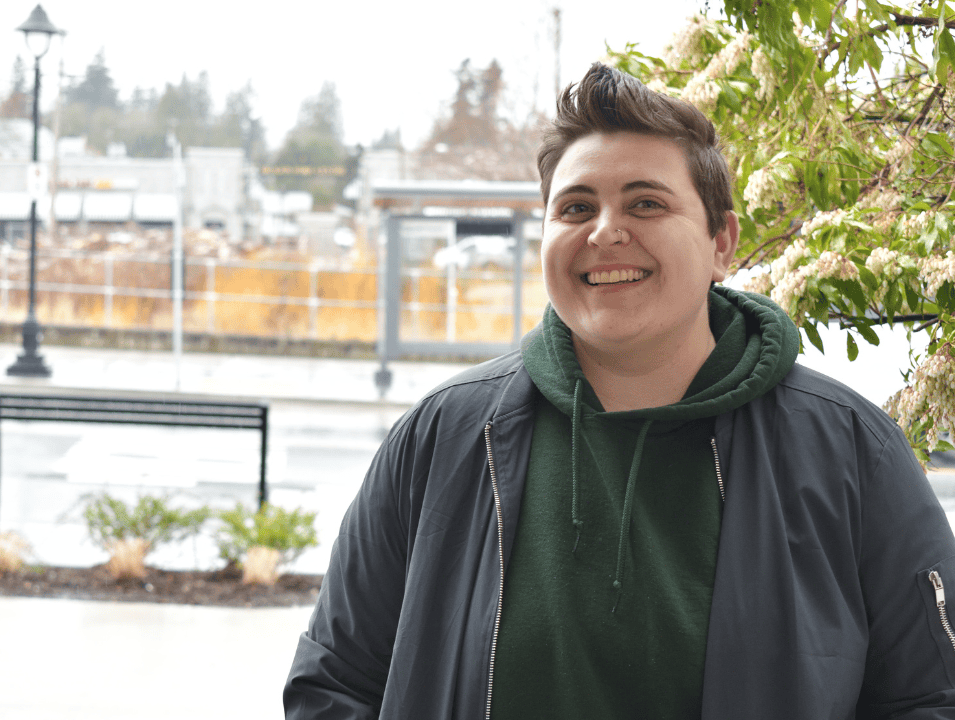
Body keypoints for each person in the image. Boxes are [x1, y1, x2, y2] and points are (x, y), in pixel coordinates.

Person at [284, 63, 955, 719]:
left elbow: (934, 696)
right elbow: (333, 683)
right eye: (576, 207)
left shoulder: (848, 451)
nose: (606, 231)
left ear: (722, 241)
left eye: (646, 202)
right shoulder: (443, 438)